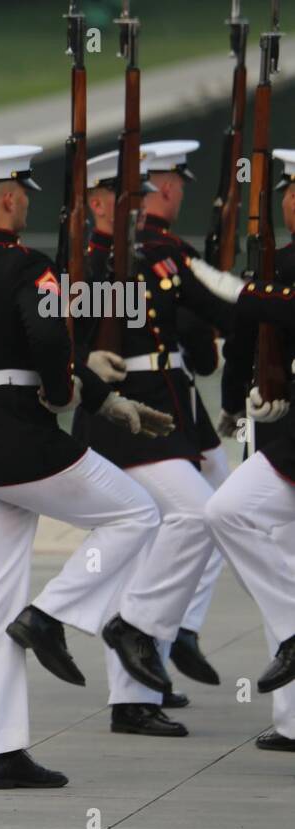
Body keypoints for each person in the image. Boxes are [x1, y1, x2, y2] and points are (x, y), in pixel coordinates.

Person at [0, 145, 176, 788]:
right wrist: (64, 393)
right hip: (22, 437)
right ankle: (50, 616)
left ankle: (0, 753)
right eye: (26, 196)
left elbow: (2, 349)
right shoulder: (29, 267)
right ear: (11, 199)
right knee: (136, 512)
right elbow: (45, 343)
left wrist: (104, 398)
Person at [72, 144, 231, 736]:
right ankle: (137, 626)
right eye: (124, 195)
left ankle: (133, 697)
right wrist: (84, 358)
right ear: (94, 203)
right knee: (199, 513)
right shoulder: (89, 265)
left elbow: (213, 308)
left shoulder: (149, 259)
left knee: (149, 542)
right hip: (119, 424)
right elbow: (57, 342)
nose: (137, 205)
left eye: (140, 195)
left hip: (162, 419)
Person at [194, 146, 295, 752]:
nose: (291, 199)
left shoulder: (269, 279)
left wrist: (234, 290)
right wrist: (237, 403)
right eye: (287, 188)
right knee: (252, 528)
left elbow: (263, 311)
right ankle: (291, 720)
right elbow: (241, 343)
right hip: (280, 430)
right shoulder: (276, 264)